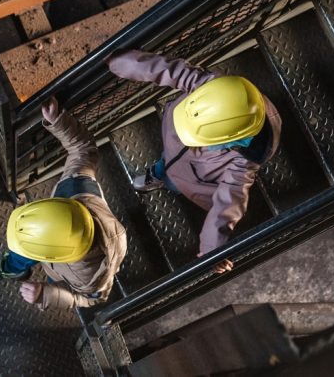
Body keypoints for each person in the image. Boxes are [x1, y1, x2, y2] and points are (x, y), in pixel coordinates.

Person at [107, 50, 281, 274]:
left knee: (174, 179)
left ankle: (163, 178)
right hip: (175, 150)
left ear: (226, 140)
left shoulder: (245, 161)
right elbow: (170, 69)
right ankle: (159, 173)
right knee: (166, 162)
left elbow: (227, 204)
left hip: (189, 174)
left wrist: (212, 250)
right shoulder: (217, 90)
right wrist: (121, 62)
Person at [0, 97, 127, 311]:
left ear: (50, 256)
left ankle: (13, 267)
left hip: (59, 272)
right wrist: (58, 121)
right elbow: (83, 149)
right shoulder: (78, 184)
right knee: (23, 249)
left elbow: (90, 299)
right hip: (53, 250)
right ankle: (12, 268)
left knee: (27, 254)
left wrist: (47, 295)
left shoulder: (92, 276)